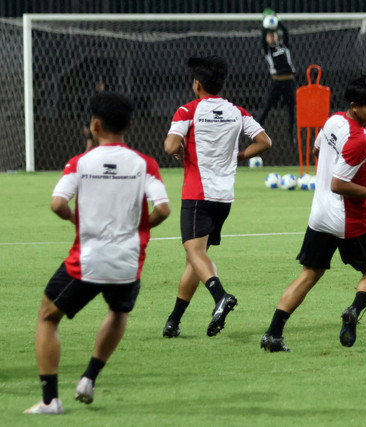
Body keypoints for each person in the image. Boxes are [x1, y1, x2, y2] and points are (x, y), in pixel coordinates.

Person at [24, 92, 171, 414]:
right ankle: (89, 378)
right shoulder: (145, 163)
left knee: (47, 317)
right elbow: (163, 208)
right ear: (130, 125)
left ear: (94, 124)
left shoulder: (80, 162)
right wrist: (139, 228)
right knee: (119, 312)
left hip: (87, 260)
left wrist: (74, 217)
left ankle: (50, 400)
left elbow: (57, 204)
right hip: (128, 261)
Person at [260, 75, 366, 352]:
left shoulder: (333, 121)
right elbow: (338, 184)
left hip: (320, 215)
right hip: (350, 220)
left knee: (308, 274)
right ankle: (354, 309)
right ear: (354, 106)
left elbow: (317, 150)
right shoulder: (359, 140)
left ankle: (272, 335)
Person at [162, 56, 272, 338]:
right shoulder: (237, 112)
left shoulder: (188, 110)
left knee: (195, 253)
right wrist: (242, 154)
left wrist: (178, 150)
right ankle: (174, 321)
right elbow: (265, 141)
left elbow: (170, 145)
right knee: (195, 259)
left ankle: (220, 296)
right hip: (224, 198)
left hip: (197, 195)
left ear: (197, 84)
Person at [257, 9, 296, 135]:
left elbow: (285, 32)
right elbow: (263, 38)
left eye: (274, 34)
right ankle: (256, 131)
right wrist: (266, 24)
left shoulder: (284, 46)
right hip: (277, 81)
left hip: (289, 81)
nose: (272, 36)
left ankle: (291, 133)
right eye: (270, 35)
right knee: (266, 107)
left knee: (291, 108)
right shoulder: (267, 50)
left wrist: (277, 21)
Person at [83, 79, 105, 152]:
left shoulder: (107, 98)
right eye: (99, 84)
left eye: (101, 84)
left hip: (103, 125)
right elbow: (88, 112)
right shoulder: (93, 98)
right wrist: (86, 125)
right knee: (90, 145)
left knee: (98, 146)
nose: (100, 86)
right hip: (94, 124)